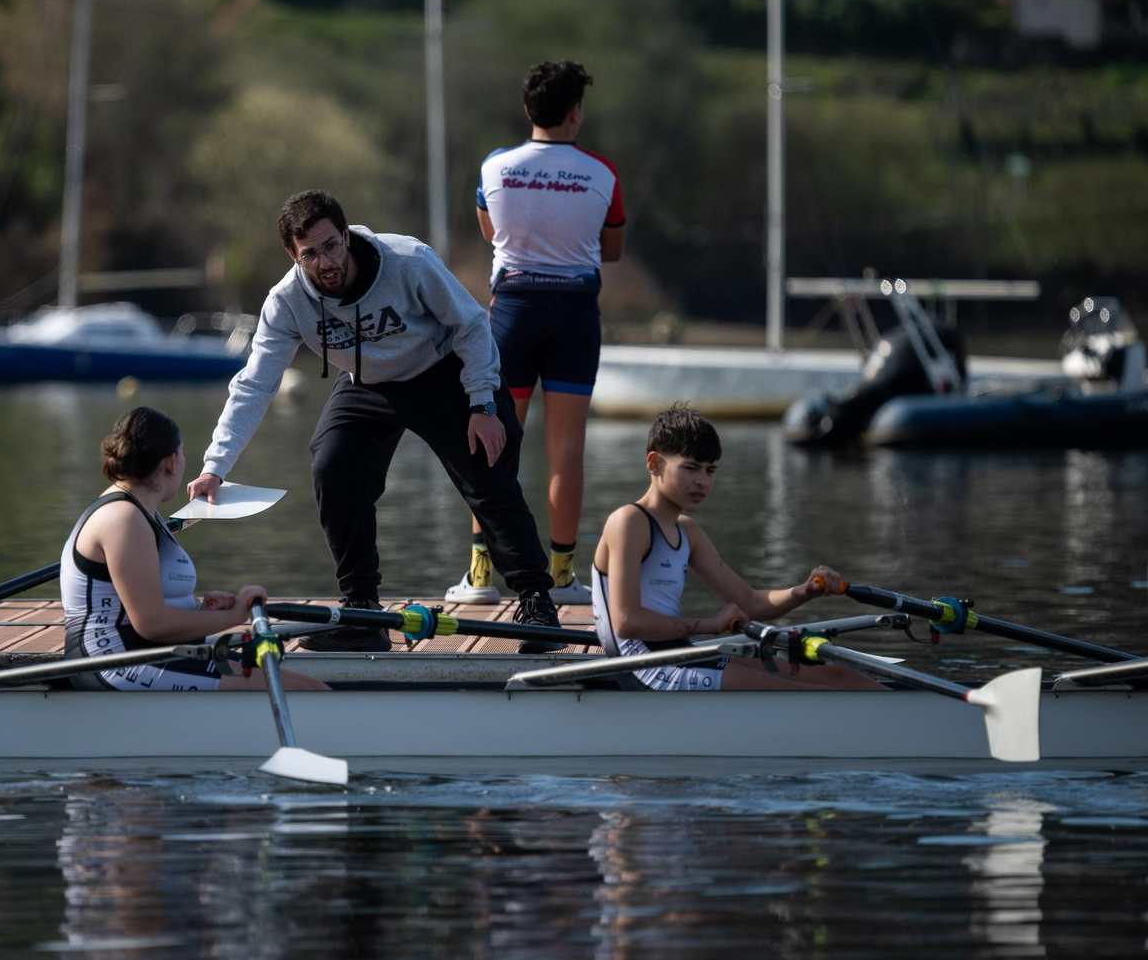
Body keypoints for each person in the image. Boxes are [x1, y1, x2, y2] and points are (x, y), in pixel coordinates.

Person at [187, 190, 566, 655]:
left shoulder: (408, 260)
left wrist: (483, 405)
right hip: (366, 381)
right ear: (292, 254)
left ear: (346, 235)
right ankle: (362, 611)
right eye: (310, 254)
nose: (325, 262)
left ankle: (536, 601)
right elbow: (254, 385)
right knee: (332, 465)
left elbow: (471, 325)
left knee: (487, 470)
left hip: (443, 370)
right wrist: (215, 466)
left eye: (331, 246)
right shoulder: (286, 302)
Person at [449, 60, 625, 609]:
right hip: (575, 316)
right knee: (566, 452)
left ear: (527, 108)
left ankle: (480, 576)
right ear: (576, 113)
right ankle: (562, 576)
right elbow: (612, 249)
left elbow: (490, 233)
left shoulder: (495, 166)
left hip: (513, 314)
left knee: (492, 444)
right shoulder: (602, 172)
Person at [590, 405, 884, 691]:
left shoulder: (687, 532)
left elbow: (751, 602)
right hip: (646, 671)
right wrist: (709, 625)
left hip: (680, 656)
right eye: (691, 468)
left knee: (840, 677)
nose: (703, 481)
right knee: (819, 693)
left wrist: (804, 591)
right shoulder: (629, 522)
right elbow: (627, 622)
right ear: (654, 464)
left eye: (710, 470)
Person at [64, 407, 328, 692]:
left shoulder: (140, 512)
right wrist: (235, 615)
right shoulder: (122, 519)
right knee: (303, 693)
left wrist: (201, 609)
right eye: (183, 453)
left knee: (314, 688)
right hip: (112, 663)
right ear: (171, 462)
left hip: (148, 652)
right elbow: (151, 623)